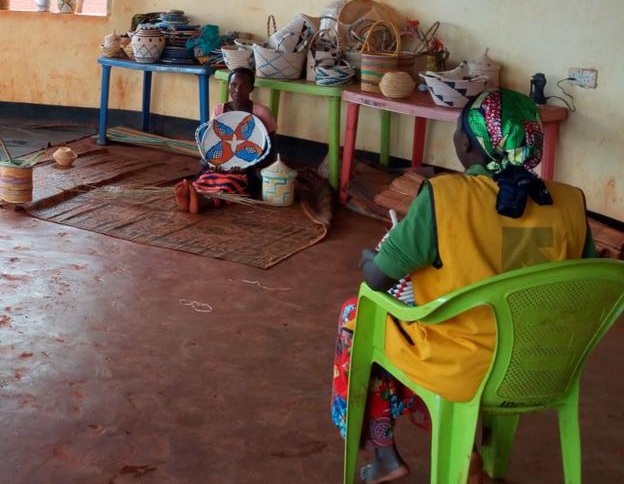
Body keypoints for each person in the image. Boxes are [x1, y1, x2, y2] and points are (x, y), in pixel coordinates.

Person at [330, 89, 595, 484]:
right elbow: (583, 285)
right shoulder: (571, 202)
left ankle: (386, 453)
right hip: (540, 366)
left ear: (467, 142)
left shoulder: (444, 197)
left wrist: (370, 257)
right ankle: (471, 457)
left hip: (463, 367)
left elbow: (379, 279)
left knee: (359, 315)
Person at [174, 66, 277, 212]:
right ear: (228, 85)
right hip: (222, 163)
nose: (237, 90)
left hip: (250, 167)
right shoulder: (219, 110)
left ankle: (203, 203)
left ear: (251, 89)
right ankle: (192, 196)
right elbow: (214, 143)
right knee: (208, 177)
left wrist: (248, 166)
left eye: (243, 86)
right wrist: (212, 162)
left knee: (231, 183)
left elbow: (271, 150)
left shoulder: (261, 112)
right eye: (233, 85)